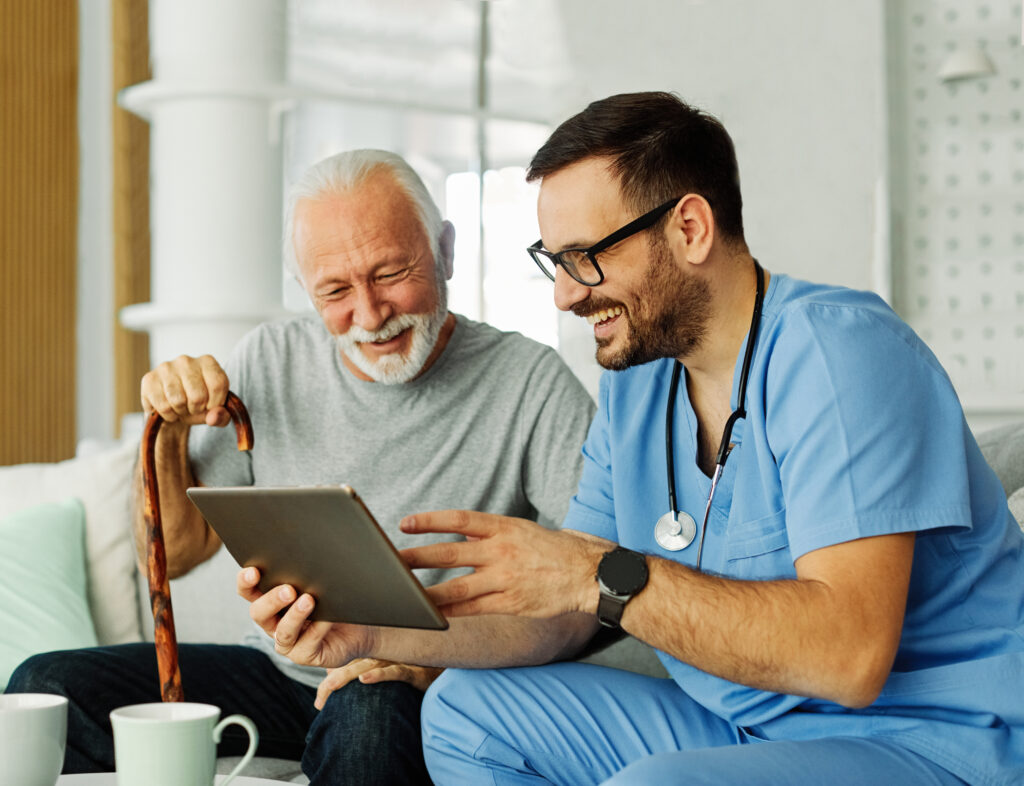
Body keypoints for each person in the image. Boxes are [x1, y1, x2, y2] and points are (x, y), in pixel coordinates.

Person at [248, 93, 1024, 785]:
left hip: (925, 741)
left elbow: (849, 658)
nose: (563, 295)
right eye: (554, 263)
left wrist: (598, 571)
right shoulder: (638, 382)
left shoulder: (841, 354)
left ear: (689, 227)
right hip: (741, 722)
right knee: (464, 712)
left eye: (587, 258)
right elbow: (566, 610)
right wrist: (373, 632)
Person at [7, 149, 596, 784]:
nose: (370, 316)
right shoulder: (269, 357)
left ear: (445, 251)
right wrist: (170, 430)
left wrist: (436, 662)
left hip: (419, 679)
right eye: (336, 291)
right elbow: (174, 554)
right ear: (306, 290)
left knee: (370, 706)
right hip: (280, 670)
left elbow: (592, 592)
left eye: (392, 272)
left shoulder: (531, 381)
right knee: (46, 684)